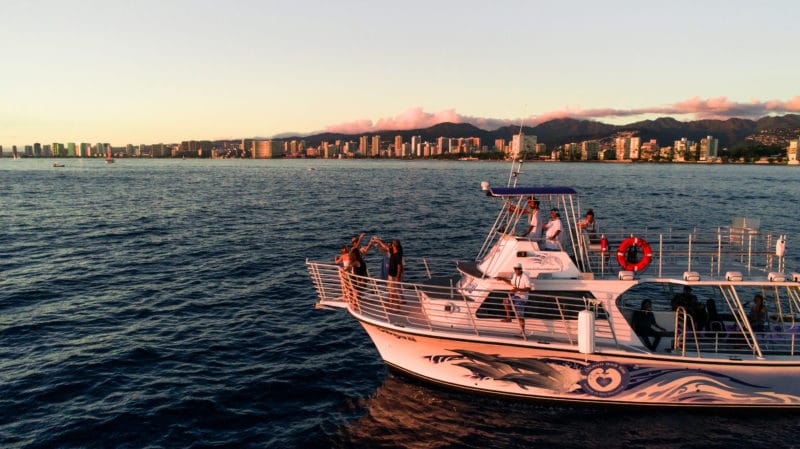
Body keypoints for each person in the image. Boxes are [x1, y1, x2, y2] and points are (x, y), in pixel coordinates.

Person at [494, 263, 532, 338]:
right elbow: (512, 283)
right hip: (516, 296)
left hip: (522, 298)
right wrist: (502, 279)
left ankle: (522, 332)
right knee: (505, 301)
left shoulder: (525, 277)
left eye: (518, 269)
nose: (516, 270)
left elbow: (528, 288)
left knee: (519, 315)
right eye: (515, 269)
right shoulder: (515, 275)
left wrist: (518, 289)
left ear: (521, 269)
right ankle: (509, 318)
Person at [386, 239, 404, 308]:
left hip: (394, 276)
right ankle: (390, 304)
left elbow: (399, 267)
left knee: (394, 291)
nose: (391, 245)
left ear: (394, 246)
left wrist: (397, 276)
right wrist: (379, 241)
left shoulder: (398, 255)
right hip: (390, 275)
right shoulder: (393, 252)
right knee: (391, 290)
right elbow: (386, 247)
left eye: (392, 244)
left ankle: (398, 305)